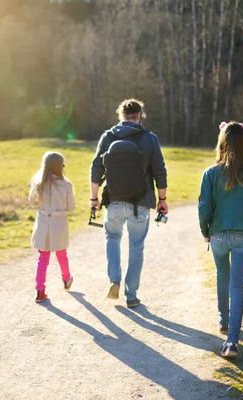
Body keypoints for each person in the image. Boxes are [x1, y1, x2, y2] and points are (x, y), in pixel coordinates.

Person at [90, 98, 168, 308]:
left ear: (121, 116)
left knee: (112, 238)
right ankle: (131, 295)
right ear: (139, 116)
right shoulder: (149, 138)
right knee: (136, 246)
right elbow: (160, 171)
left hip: (113, 200)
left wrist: (94, 198)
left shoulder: (108, 136)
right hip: (140, 203)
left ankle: (114, 280)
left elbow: (96, 168)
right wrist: (162, 200)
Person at [198, 121, 243, 358]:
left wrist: (205, 231)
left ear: (222, 142)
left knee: (222, 275)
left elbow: (204, 207)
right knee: (237, 285)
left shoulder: (210, 173)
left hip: (217, 235)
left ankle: (223, 320)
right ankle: (232, 343)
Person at [29, 151, 75, 303]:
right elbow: (71, 207)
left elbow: (32, 203)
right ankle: (67, 279)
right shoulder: (66, 185)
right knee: (62, 254)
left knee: (43, 258)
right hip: (59, 223)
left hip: (43, 223)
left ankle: (40, 290)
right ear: (60, 167)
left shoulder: (38, 183)